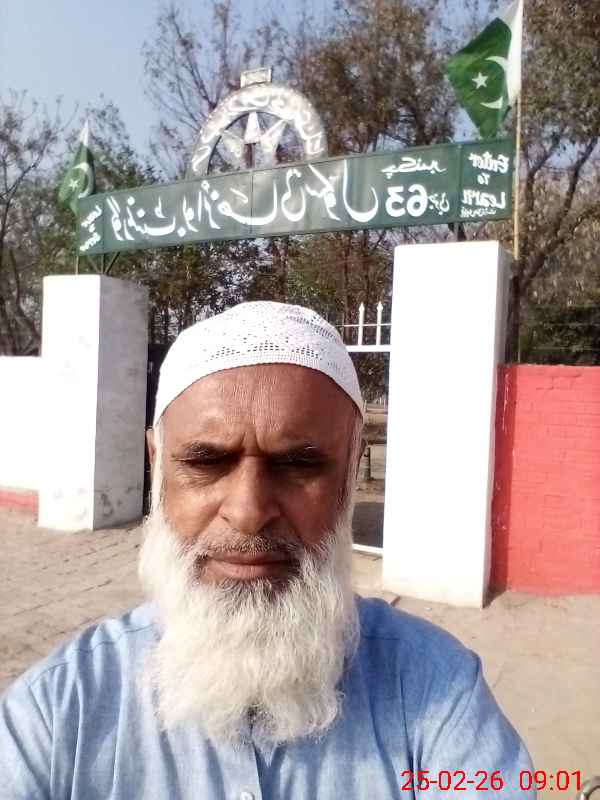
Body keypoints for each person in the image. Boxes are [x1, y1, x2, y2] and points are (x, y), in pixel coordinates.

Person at [0, 301, 534, 799]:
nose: (249, 510)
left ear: (351, 472)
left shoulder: (437, 691)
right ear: (157, 466)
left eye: (298, 465)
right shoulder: (57, 710)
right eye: (206, 462)